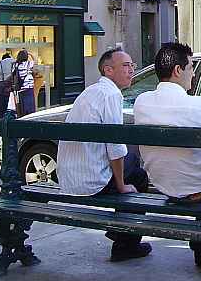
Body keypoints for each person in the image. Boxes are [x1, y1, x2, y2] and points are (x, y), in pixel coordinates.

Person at [57, 48, 152, 262]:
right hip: (91, 183)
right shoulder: (111, 94)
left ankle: (121, 232)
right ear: (108, 70)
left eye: (132, 65)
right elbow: (115, 145)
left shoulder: (91, 91)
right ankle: (125, 243)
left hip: (69, 180)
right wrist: (121, 185)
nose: (131, 71)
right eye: (126, 66)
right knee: (138, 176)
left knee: (130, 162)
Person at [133, 42, 201, 203]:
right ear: (178, 70)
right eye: (191, 68)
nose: (193, 74)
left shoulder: (141, 102)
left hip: (165, 187)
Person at [9, 50, 36, 116]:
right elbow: (35, 60)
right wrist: (30, 53)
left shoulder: (15, 64)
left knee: (22, 103)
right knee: (30, 104)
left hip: (20, 87)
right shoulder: (29, 64)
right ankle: (29, 115)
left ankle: (22, 114)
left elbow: (12, 73)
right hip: (29, 86)